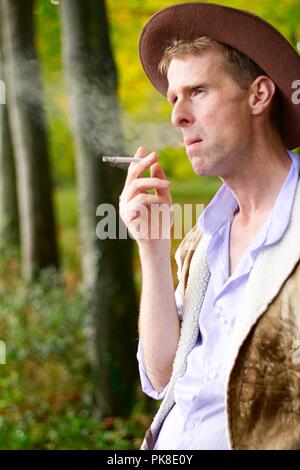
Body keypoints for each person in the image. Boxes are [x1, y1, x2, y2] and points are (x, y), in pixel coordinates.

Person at [119, 2, 300, 450]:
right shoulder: (206, 239)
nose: (177, 116)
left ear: (259, 95)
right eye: (173, 98)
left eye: (197, 91)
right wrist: (154, 248)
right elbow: (162, 378)